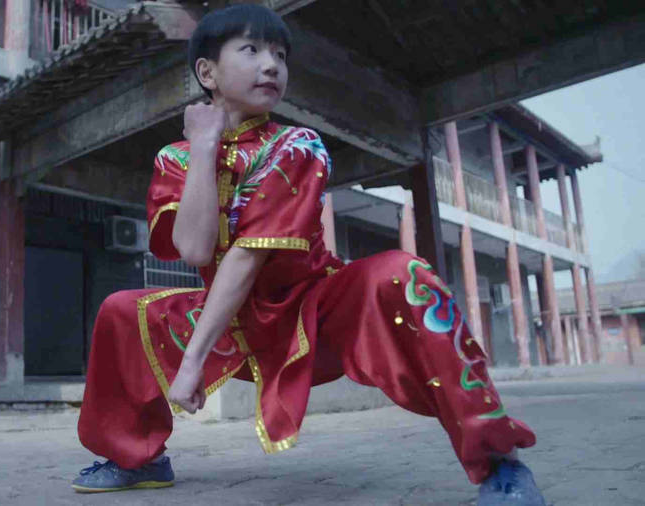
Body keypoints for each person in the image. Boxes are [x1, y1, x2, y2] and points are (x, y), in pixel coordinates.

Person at [71, 5, 546, 504]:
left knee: (404, 274)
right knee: (121, 311)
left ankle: (500, 464)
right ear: (206, 72)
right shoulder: (177, 157)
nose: (271, 65)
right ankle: (137, 458)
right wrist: (205, 145)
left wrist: (192, 363)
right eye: (251, 50)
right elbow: (192, 248)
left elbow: (247, 257)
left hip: (315, 313)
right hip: (231, 322)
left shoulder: (298, 146)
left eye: (279, 54)